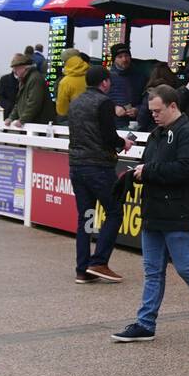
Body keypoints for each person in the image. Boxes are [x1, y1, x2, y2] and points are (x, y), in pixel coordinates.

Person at [112, 85, 189, 343]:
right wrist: (137, 175)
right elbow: (153, 166)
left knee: (186, 267)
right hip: (154, 211)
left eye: (158, 110)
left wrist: (148, 171)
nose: (153, 115)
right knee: (152, 270)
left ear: (173, 106)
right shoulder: (156, 134)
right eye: (151, 111)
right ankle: (145, 322)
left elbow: (187, 169)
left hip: (179, 212)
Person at [67, 66, 133, 284]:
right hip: (99, 167)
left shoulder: (75, 102)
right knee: (114, 212)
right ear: (104, 82)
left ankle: (82, 269)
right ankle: (99, 261)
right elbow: (108, 135)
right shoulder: (104, 103)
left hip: (77, 166)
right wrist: (123, 142)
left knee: (86, 216)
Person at [7, 53, 56, 127]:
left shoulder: (35, 79)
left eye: (16, 68)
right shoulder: (24, 80)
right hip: (32, 122)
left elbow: (34, 103)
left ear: (24, 68)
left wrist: (22, 120)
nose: (14, 71)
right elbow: (19, 103)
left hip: (39, 123)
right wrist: (11, 118)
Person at [107, 43, 145, 128]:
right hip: (112, 124)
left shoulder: (140, 76)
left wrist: (137, 110)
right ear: (114, 59)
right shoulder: (106, 77)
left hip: (134, 125)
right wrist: (113, 108)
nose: (124, 59)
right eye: (120, 57)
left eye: (126, 56)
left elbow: (146, 100)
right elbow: (99, 99)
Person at [55, 48, 89, 119]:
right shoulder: (92, 74)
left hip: (72, 119)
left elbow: (62, 110)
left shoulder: (64, 82)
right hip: (91, 119)